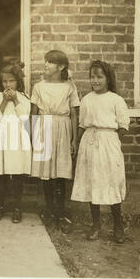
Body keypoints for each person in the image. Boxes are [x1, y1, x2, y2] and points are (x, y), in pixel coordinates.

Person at [71, 60, 130, 244]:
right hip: (89, 143)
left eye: (99, 77)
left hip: (108, 143)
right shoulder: (87, 99)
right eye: (92, 77)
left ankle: (117, 226)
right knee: (92, 181)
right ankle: (95, 225)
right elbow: (82, 124)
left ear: (107, 78)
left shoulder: (116, 100)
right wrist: (77, 141)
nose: (95, 80)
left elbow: (123, 126)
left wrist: (110, 141)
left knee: (111, 181)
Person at [30, 50, 80, 233]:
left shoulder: (69, 87)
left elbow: (74, 114)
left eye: (50, 62)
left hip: (63, 128)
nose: (46, 64)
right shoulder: (39, 87)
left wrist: (74, 140)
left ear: (61, 67)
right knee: (47, 174)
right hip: (45, 127)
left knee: (60, 172)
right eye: (45, 61)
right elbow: (34, 113)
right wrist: (33, 137)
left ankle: (60, 212)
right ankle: (50, 211)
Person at [0, 61, 31, 223]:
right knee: (1, 174)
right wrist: (4, 101)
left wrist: (16, 100)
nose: (8, 84)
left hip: (16, 137)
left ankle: (17, 208)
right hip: (1, 136)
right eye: (5, 81)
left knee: (16, 174)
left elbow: (24, 117)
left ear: (18, 81)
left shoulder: (24, 97)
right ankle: (0, 206)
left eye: (11, 81)